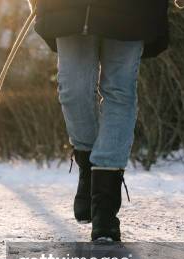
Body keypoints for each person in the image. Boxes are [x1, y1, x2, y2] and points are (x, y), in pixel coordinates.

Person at [33, 0, 169, 242]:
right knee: (73, 90)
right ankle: (88, 165)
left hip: (133, 9)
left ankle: (105, 207)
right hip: (67, 7)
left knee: (120, 91)